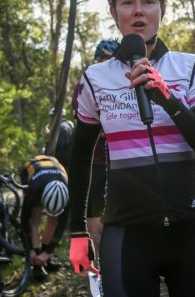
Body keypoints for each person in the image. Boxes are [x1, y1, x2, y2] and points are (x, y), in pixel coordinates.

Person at [67, 0, 195, 296]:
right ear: (114, 12)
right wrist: (77, 233)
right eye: (127, 1)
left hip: (190, 227)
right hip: (126, 233)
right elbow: (81, 158)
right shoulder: (95, 79)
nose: (138, 11)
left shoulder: (189, 67)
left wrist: (168, 98)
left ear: (163, 8)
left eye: (149, 1)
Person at [81, 39, 120, 263]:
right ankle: (100, 274)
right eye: (102, 59)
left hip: (121, 164)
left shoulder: (130, 83)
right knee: (95, 229)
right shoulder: (88, 85)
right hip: (95, 165)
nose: (106, 64)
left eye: (111, 60)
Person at [19, 155, 69, 281]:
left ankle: (45, 256)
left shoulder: (68, 191)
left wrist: (48, 252)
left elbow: (61, 224)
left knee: (54, 219)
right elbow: (25, 220)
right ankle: (36, 261)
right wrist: (30, 250)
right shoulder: (33, 189)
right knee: (35, 217)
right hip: (31, 169)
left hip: (54, 166)